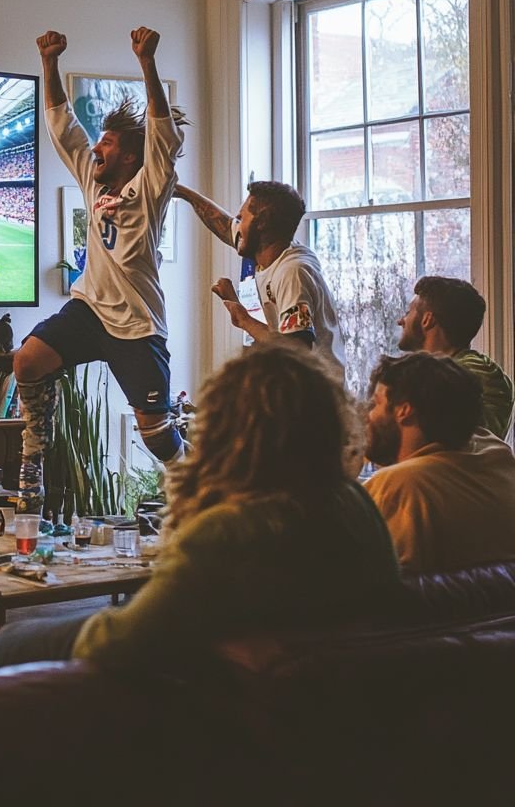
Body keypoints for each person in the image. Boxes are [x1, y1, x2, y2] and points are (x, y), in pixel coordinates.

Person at [0, 342, 401, 674]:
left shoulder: (230, 530)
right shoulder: (355, 503)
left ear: (229, 427)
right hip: (333, 710)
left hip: (233, 711)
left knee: (19, 639)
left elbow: (121, 642)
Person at [17, 27, 187, 493]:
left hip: (136, 325)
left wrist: (147, 63)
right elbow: (62, 124)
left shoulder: (150, 186)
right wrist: (49, 63)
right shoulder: (93, 180)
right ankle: (34, 450)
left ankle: (194, 480)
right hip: (89, 309)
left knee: (157, 435)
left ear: (130, 157)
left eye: (107, 144)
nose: (96, 148)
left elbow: (163, 134)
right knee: (27, 361)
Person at [176, 179, 346, 379]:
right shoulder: (275, 251)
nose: (236, 223)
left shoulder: (292, 273)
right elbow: (223, 225)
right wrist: (181, 192)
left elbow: (295, 351)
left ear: (262, 223)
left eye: (242, 218)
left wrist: (244, 319)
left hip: (317, 391)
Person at [363, 351, 515, 572]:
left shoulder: (398, 487)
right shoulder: (498, 457)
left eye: (375, 404)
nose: (367, 416)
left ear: (404, 410)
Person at [397, 275, 513, 439]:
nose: (400, 321)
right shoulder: (454, 372)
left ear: (427, 320)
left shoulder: (471, 373)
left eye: (408, 313)